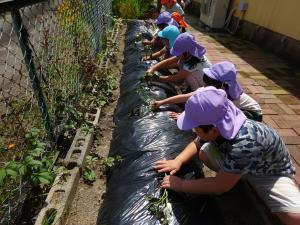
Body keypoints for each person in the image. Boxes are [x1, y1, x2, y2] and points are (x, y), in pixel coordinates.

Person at [155, 86, 300, 225]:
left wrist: (181, 185)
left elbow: (220, 186)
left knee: (293, 217)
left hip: (268, 173)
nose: (194, 131)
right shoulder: (221, 120)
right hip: (241, 160)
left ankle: (233, 176)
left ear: (213, 130)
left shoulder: (245, 143)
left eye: (195, 128)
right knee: (204, 153)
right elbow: (198, 142)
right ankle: (233, 175)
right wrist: (178, 160)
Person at [153, 61, 263, 122]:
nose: (206, 87)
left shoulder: (231, 98)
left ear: (223, 86)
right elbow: (185, 96)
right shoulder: (212, 88)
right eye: (206, 84)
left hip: (251, 114)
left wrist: (184, 116)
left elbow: (210, 113)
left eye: (209, 84)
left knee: (219, 123)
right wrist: (162, 102)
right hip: (236, 110)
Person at [147, 32, 211, 91]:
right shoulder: (188, 54)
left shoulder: (194, 62)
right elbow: (168, 61)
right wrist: (153, 68)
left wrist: (156, 78)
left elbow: (177, 78)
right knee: (180, 64)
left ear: (187, 52)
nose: (177, 55)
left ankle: (195, 92)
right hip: (198, 77)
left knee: (188, 76)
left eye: (178, 53)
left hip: (205, 84)